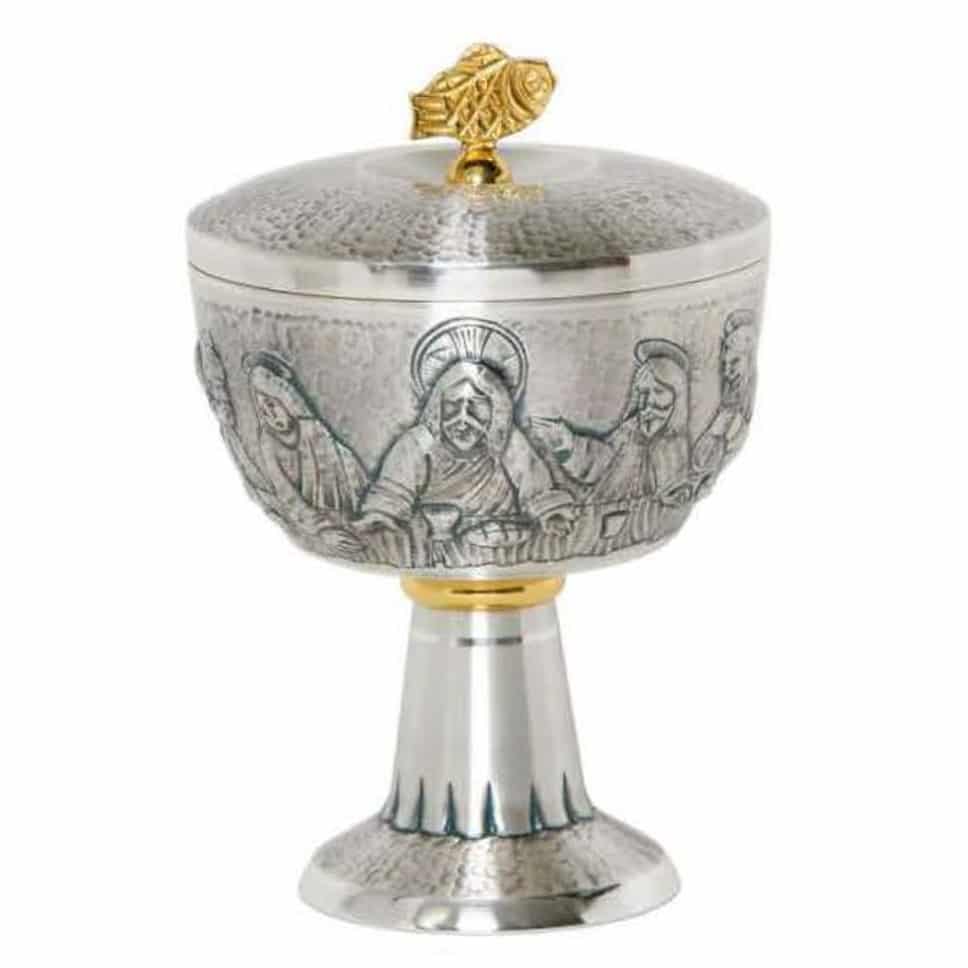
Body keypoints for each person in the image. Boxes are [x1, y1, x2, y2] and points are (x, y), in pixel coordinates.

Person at [357, 358, 575, 553]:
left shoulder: (507, 441)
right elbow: (391, 493)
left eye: (475, 406)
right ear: (438, 407)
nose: (462, 418)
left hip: (501, 543)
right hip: (435, 544)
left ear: (495, 409)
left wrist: (552, 514)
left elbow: (537, 489)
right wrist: (380, 516)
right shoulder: (418, 443)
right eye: (453, 405)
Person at [532, 339, 693, 552]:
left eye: (659, 392)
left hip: (639, 524)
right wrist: (568, 444)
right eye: (643, 392)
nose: (648, 402)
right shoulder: (631, 429)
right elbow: (604, 464)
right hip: (604, 523)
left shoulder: (674, 446)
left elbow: (670, 494)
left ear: (676, 395)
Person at [244, 351, 367, 559]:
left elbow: (347, 480)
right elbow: (287, 495)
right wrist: (322, 529)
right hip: (324, 526)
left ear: (287, 400)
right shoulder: (268, 441)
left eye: (272, 404)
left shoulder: (313, 431)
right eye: (262, 407)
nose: (269, 414)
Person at [693, 310, 757, 486]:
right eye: (725, 364)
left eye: (735, 362)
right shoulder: (725, 412)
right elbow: (700, 461)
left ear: (750, 360)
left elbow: (702, 462)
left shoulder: (734, 417)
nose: (727, 373)